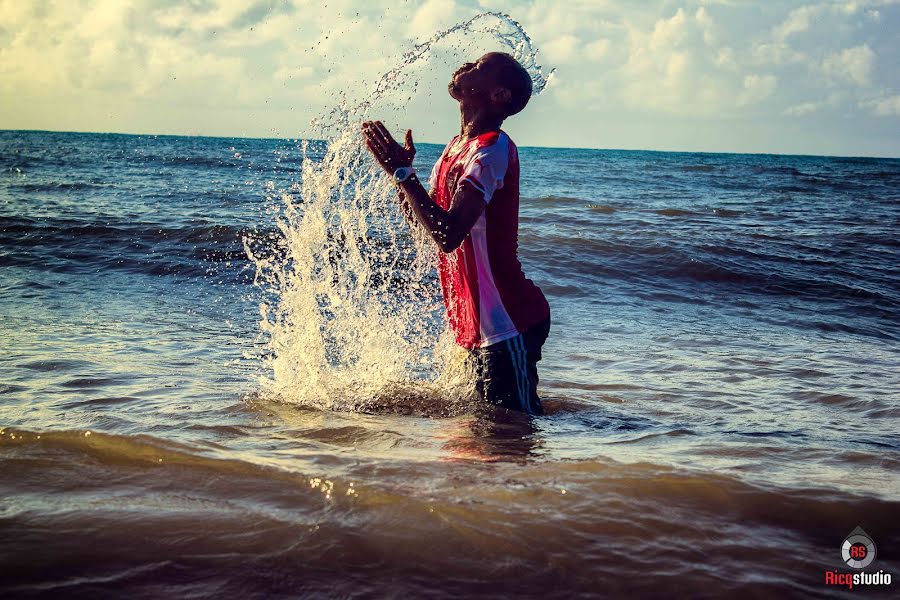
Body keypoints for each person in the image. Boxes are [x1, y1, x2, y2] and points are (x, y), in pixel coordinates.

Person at [362, 52, 550, 416]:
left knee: (511, 434)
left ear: (498, 96)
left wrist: (404, 175)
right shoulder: (455, 148)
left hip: (507, 322)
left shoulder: (492, 150)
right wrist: (401, 176)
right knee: (480, 437)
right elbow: (427, 227)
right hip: (478, 326)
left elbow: (449, 236)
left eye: (479, 67)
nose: (464, 66)